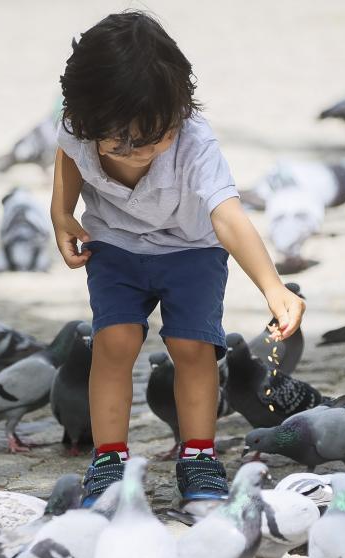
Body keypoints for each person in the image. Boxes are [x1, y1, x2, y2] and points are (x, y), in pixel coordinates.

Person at [51, 11, 304, 506]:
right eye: (122, 141)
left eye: (155, 135)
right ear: (85, 120)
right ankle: (108, 459)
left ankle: (199, 456)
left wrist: (273, 287)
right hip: (116, 248)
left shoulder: (193, 142)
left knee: (194, 348)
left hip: (192, 251)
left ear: (179, 109)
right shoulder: (77, 130)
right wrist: (61, 212)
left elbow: (228, 217)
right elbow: (68, 157)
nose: (140, 149)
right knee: (113, 342)